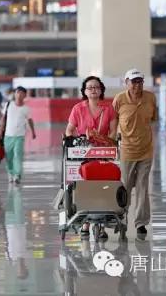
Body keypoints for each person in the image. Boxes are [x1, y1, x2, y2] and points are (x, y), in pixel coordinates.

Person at [65, 76, 118, 240]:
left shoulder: (108, 109)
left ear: (101, 90)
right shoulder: (77, 109)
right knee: (84, 185)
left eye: (96, 87)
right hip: (83, 154)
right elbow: (69, 130)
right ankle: (86, 222)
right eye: (90, 87)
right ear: (84, 91)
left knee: (103, 186)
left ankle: (101, 224)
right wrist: (77, 142)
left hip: (104, 153)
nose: (93, 90)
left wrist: (104, 141)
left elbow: (113, 132)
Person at [113, 69, 157, 239]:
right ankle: (122, 218)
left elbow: (153, 118)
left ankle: (141, 223)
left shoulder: (150, 98)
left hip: (146, 150)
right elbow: (113, 119)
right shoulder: (119, 99)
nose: (137, 85)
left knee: (142, 187)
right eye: (134, 82)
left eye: (140, 81)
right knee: (125, 186)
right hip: (126, 150)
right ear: (126, 82)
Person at [0, 86, 36, 185]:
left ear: (25, 95)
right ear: (14, 94)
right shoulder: (8, 105)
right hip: (8, 136)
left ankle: (17, 175)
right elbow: (3, 119)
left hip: (20, 136)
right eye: (17, 92)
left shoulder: (26, 109)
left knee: (18, 155)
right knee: (9, 157)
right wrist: (0, 131)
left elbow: (30, 120)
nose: (19, 94)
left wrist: (33, 132)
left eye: (21, 93)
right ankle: (11, 173)